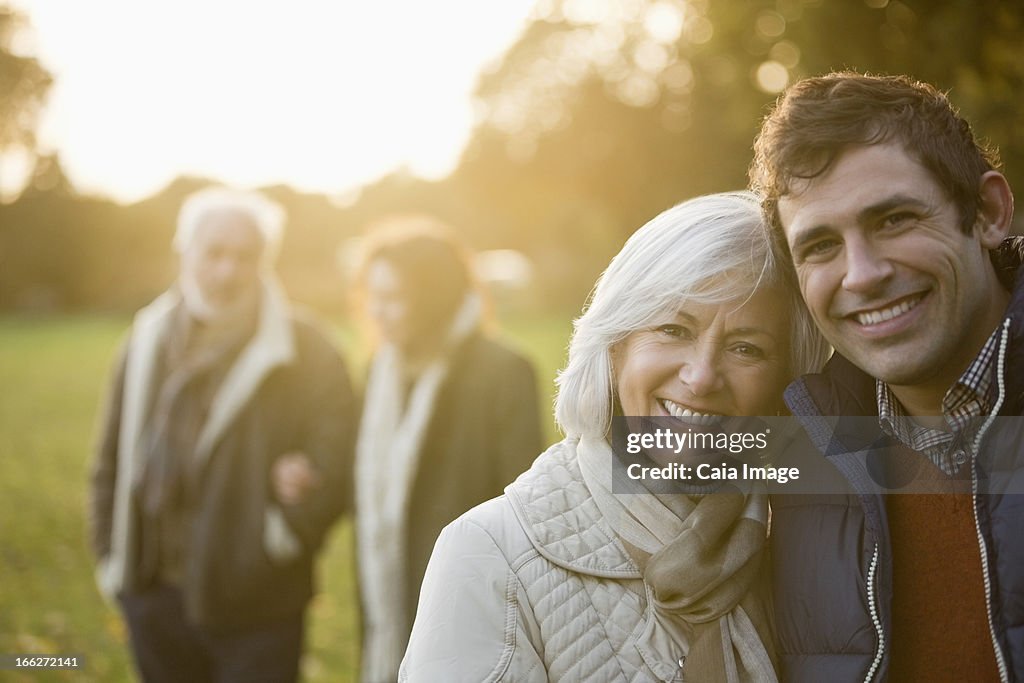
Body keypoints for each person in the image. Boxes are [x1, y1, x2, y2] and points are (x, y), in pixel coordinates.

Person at [399, 192, 831, 681]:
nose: (703, 375)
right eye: (673, 329)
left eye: (747, 348)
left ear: (787, 386)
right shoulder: (488, 552)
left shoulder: (810, 544)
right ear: (614, 347)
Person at [750, 71, 1024, 681]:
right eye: (820, 246)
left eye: (894, 219)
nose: (863, 274)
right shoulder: (799, 456)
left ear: (988, 211)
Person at [89, 187, 356, 683]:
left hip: (258, 605)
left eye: (244, 257)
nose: (227, 271)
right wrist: (113, 559)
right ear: (184, 252)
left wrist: (285, 533)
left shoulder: (308, 347)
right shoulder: (146, 337)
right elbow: (108, 460)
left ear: (264, 264)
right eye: (213, 253)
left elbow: (339, 456)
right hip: (152, 594)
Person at [352, 219, 543, 683]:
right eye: (373, 297)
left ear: (433, 297)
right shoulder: (381, 371)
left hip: (472, 602)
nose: (377, 312)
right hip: (387, 604)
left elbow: (522, 509)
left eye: (393, 298)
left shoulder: (504, 372)